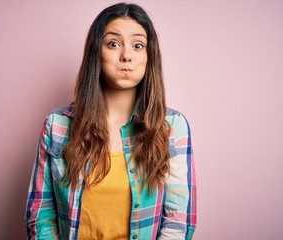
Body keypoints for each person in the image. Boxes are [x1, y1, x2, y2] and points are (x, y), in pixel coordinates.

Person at [25, 3, 196, 240]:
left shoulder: (172, 127)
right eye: (113, 44)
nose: (126, 55)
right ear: (97, 52)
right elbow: (41, 214)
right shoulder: (56, 126)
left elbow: (178, 222)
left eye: (138, 45)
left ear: (149, 56)